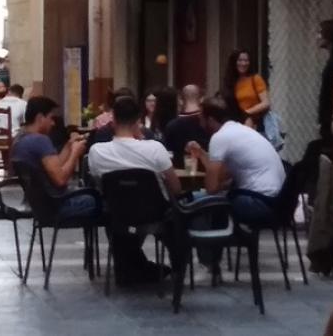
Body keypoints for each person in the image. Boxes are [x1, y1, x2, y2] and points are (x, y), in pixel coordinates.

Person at [88, 95, 182, 286]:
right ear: (138, 121)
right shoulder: (155, 149)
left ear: (113, 120)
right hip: (155, 213)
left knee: (120, 219)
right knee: (177, 217)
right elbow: (176, 188)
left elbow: (100, 185)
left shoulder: (97, 151)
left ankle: (129, 267)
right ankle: (178, 268)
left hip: (118, 214)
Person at [186, 97, 286, 225]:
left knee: (201, 204)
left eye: (201, 119)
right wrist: (201, 153)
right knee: (211, 198)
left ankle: (208, 236)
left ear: (210, 120)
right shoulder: (240, 130)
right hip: (278, 202)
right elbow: (223, 176)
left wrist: (219, 185)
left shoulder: (220, 137)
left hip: (258, 203)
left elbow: (211, 187)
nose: (199, 123)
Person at [12, 97, 95, 219]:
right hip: (56, 205)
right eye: (51, 118)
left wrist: (68, 146)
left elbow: (54, 167)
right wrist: (75, 154)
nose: (53, 123)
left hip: (38, 205)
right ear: (40, 118)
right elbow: (60, 179)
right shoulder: (40, 140)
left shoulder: (19, 139)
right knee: (97, 200)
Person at [163, 84, 209, 167]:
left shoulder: (171, 125)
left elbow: (168, 154)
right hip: (207, 169)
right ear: (202, 99)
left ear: (180, 100)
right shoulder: (209, 123)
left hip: (180, 171)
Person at [222, 49, 271, 129]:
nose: (243, 63)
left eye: (246, 60)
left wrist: (247, 113)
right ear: (234, 62)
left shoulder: (255, 78)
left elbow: (266, 103)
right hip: (236, 119)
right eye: (240, 60)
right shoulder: (231, 81)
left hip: (255, 120)